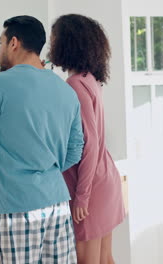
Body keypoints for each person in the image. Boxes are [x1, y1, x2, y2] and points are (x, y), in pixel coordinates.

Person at [0, 15, 84, 263]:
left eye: (1, 43)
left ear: (13, 42)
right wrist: (46, 169)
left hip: (17, 206)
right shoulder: (65, 90)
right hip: (57, 203)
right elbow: (75, 150)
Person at [49, 14, 126, 264]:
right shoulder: (89, 79)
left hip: (91, 188)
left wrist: (82, 196)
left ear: (67, 43)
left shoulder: (74, 84)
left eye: (54, 38)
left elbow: (88, 144)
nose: (50, 43)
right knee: (105, 259)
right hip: (105, 180)